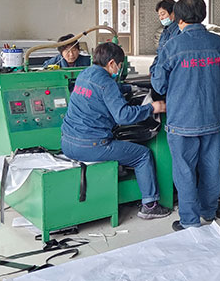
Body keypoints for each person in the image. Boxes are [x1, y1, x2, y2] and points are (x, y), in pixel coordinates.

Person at [151, 0, 220, 231]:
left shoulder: (172, 46)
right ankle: (208, 212)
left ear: (178, 18)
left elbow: (159, 84)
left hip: (182, 119)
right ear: (203, 15)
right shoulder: (218, 43)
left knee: (184, 169)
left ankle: (189, 220)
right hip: (212, 117)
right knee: (210, 166)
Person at [61, 42, 171, 220]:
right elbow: (123, 116)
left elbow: (105, 90)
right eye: (119, 65)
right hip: (91, 146)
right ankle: (150, 205)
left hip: (67, 143)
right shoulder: (107, 83)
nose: (118, 69)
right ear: (111, 63)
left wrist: (130, 87)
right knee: (142, 155)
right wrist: (152, 107)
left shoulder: (85, 73)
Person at [150, 0, 180, 75]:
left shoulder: (179, 32)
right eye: (159, 15)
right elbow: (160, 54)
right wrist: (153, 69)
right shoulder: (165, 32)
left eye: (163, 14)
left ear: (173, 13)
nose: (161, 18)